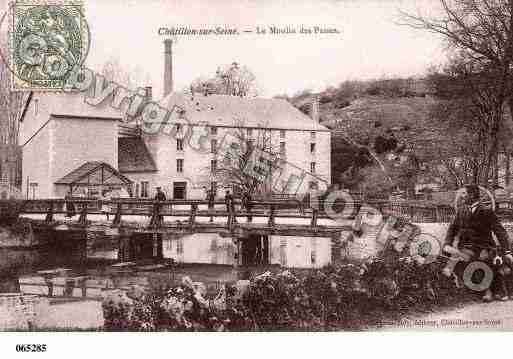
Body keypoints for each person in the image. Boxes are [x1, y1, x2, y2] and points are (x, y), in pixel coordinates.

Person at [444, 184, 513, 302]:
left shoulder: (487, 211)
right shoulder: (461, 211)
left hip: (484, 246)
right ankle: (483, 290)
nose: (462, 196)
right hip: (466, 247)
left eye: (464, 194)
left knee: (482, 259)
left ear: (472, 195)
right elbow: (452, 229)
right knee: (456, 259)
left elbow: (499, 231)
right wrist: (447, 243)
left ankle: (489, 291)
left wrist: (507, 251)